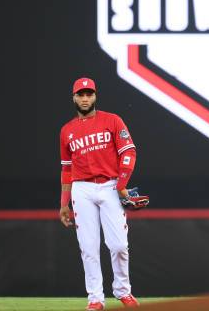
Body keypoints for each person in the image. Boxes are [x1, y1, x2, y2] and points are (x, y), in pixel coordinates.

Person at [59, 77, 140, 309]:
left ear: (95, 96)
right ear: (74, 97)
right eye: (80, 94)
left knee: (118, 245)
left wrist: (122, 184)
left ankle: (123, 291)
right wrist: (64, 204)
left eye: (89, 94)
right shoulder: (67, 131)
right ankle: (95, 299)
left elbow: (129, 152)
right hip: (81, 188)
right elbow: (66, 170)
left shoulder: (112, 120)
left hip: (111, 186)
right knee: (88, 246)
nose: (85, 98)